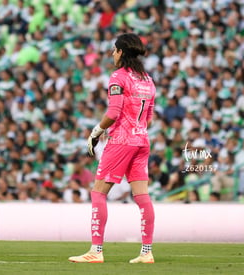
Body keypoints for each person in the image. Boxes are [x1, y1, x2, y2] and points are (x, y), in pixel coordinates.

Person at [69, 33, 156, 264]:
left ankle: (96, 251)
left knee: (98, 192)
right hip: (142, 141)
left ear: (121, 52)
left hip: (121, 142)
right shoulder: (147, 80)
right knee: (142, 196)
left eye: (114, 50)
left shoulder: (118, 77)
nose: (112, 54)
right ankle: (146, 252)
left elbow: (113, 112)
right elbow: (149, 119)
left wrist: (96, 132)